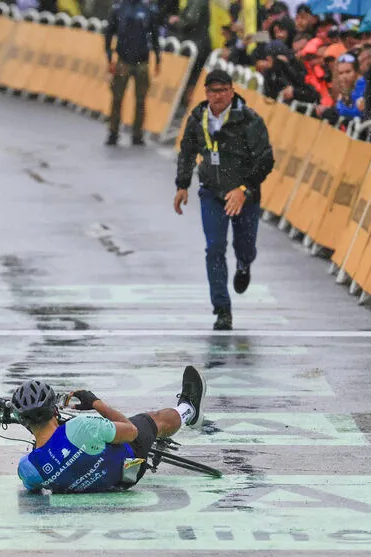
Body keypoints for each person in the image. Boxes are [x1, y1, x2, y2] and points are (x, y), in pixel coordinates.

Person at [174, 70, 274, 331]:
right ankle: (222, 309)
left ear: (231, 91)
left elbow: (265, 159)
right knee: (215, 248)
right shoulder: (198, 118)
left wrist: (244, 189)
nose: (217, 96)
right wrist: (182, 185)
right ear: (206, 93)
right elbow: (187, 151)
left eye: (222, 91)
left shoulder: (249, 120)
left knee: (245, 247)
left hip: (245, 195)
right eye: (212, 91)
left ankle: (244, 265)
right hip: (212, 192)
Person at [13, 366, 206, 493]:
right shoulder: (81, 427)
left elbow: (33, 487)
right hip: (130, 461)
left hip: (117, 483)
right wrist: (97, 404)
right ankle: (189, 410)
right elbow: (131, 431)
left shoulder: (28, 468)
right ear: (54, 410)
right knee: (154, 420)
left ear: (23, 422)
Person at [103, 0, 161, 147]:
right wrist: (109, 56)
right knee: (117, 98)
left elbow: (154, 34)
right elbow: (109, 32)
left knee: (141, 100)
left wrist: (158, 57)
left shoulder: (148, 9)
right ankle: (113, 132)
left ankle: (137, 135)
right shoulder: (119, 8)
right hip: (123, 60)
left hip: (142, 61)